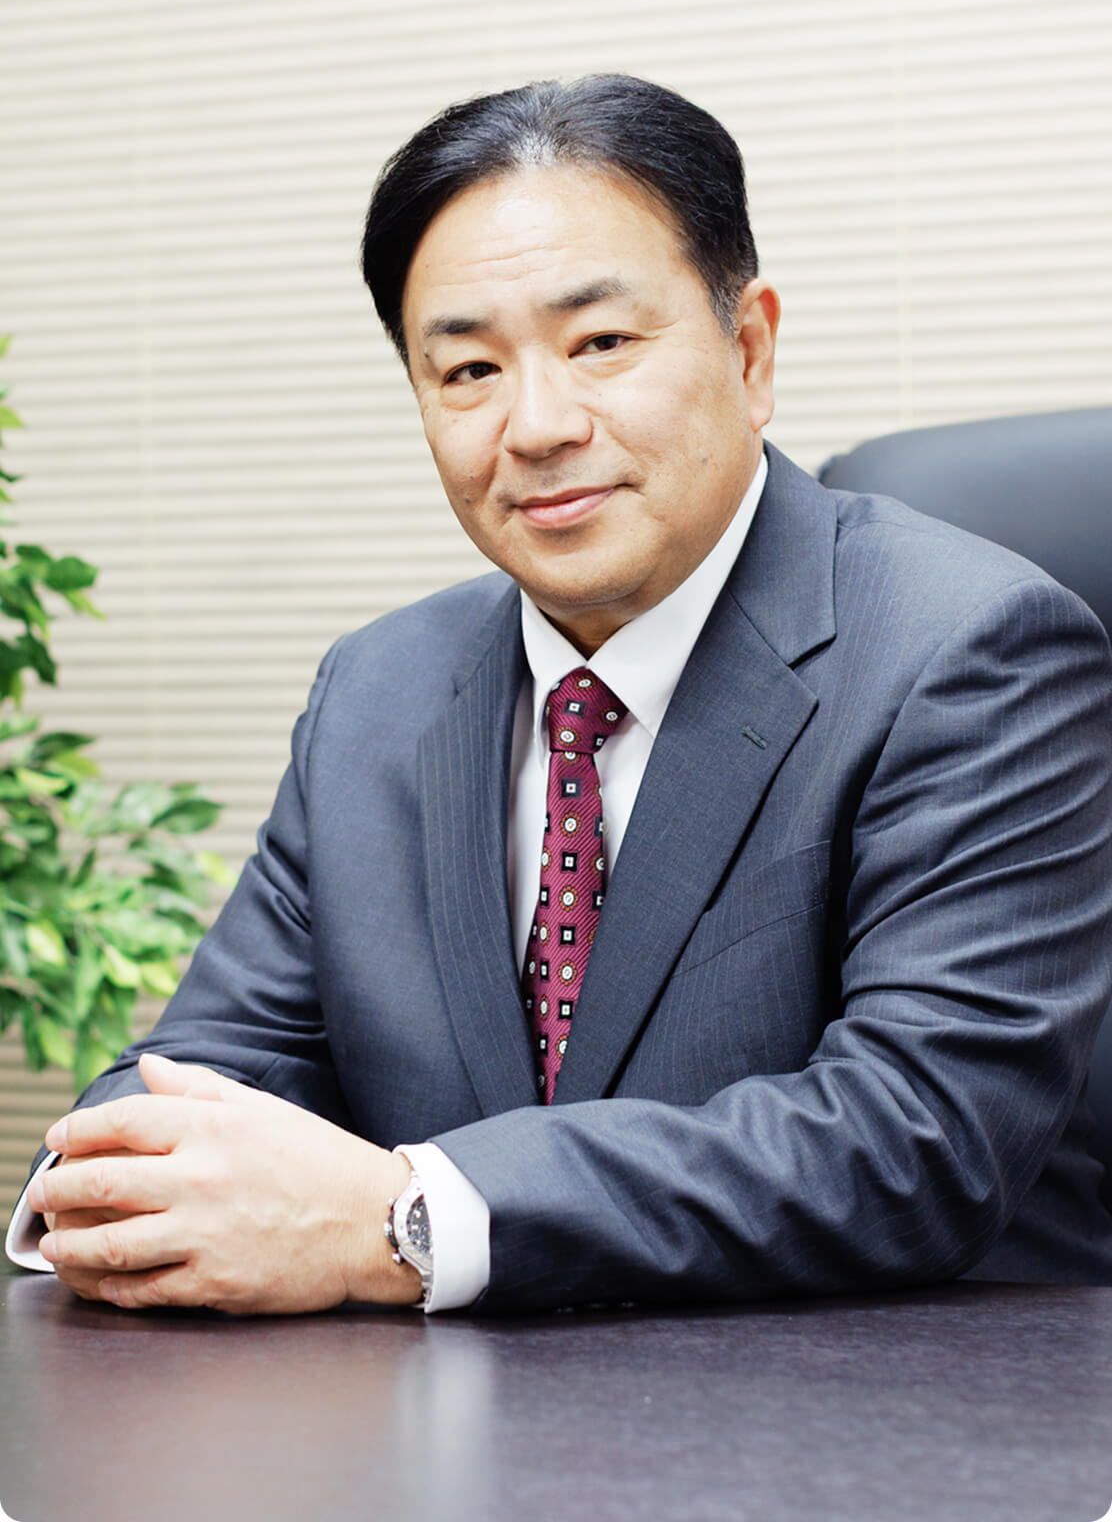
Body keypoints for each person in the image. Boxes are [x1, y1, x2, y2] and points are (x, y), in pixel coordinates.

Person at [7, 74, 1112, 1315]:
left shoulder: (967, 650)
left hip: (893, 1400)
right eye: (468, 368)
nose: (534, 426)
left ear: (748, 351)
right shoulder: (377, 690)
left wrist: (404, 1218)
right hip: (452, 1412)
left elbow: (916, 1138)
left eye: (599, 345)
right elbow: (202, 1069)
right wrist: (116, 1185)